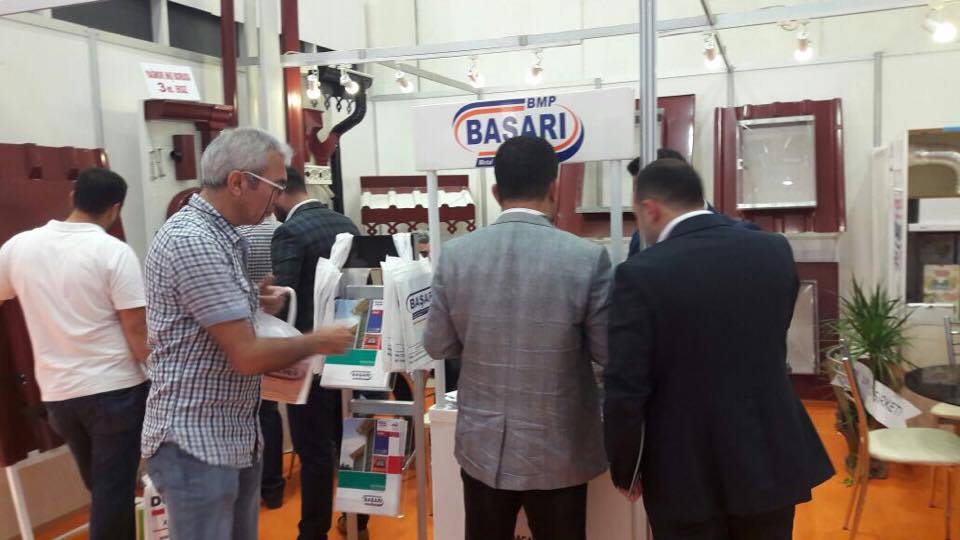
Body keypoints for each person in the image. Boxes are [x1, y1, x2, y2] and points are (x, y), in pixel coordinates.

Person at [603, 159, 834, 540]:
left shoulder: (640, 273)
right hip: (769, 452)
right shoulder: (773, 250)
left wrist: (626, 467)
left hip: (684, 468)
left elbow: (626, 386)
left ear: (650, 208)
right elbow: (773, 338)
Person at [141, 127, 354, 540]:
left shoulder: (222, 237)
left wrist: (252, 301)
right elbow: (247, 355)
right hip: (198, 440)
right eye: (274, 186)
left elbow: (203, 321)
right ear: (238, 182)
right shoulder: (195, 241)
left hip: (227, 436)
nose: (278, 198)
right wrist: (318, 341)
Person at [424, 135, 611, 540]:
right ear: (554, 188)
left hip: (482, 443)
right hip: (558, 444)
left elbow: (437, 345)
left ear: (495, 192)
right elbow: (607, 351)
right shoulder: (587, 258)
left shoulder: (455, 255)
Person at [0, 168, 149, 540]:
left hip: (59, 395)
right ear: (115, 209)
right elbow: (137, 332)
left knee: (103, 490)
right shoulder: (114, 252)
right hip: (115, 389)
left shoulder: (19, 247)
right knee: (112, 493)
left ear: (72, 198)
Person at [270, 166, 368, 540]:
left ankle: (313, 531)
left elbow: (284, 300)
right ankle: (358, 522)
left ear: (281, 191)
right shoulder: (345, 222)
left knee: (314, 451)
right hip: (350, 347)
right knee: (350, 438)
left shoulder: (289, 232)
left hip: (308, 355)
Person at [237, 214, 287, 509]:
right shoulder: (280, 231)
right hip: (273, 328)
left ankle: (249, 484)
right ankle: (273, 486)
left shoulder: (237, 233)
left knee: (247, 410)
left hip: (241, 328)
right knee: (269, 410)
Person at [626, 148, 758, 257]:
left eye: (640, 189)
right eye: (636, 190)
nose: (637, 198)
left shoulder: (744, 234)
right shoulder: (640, 237)